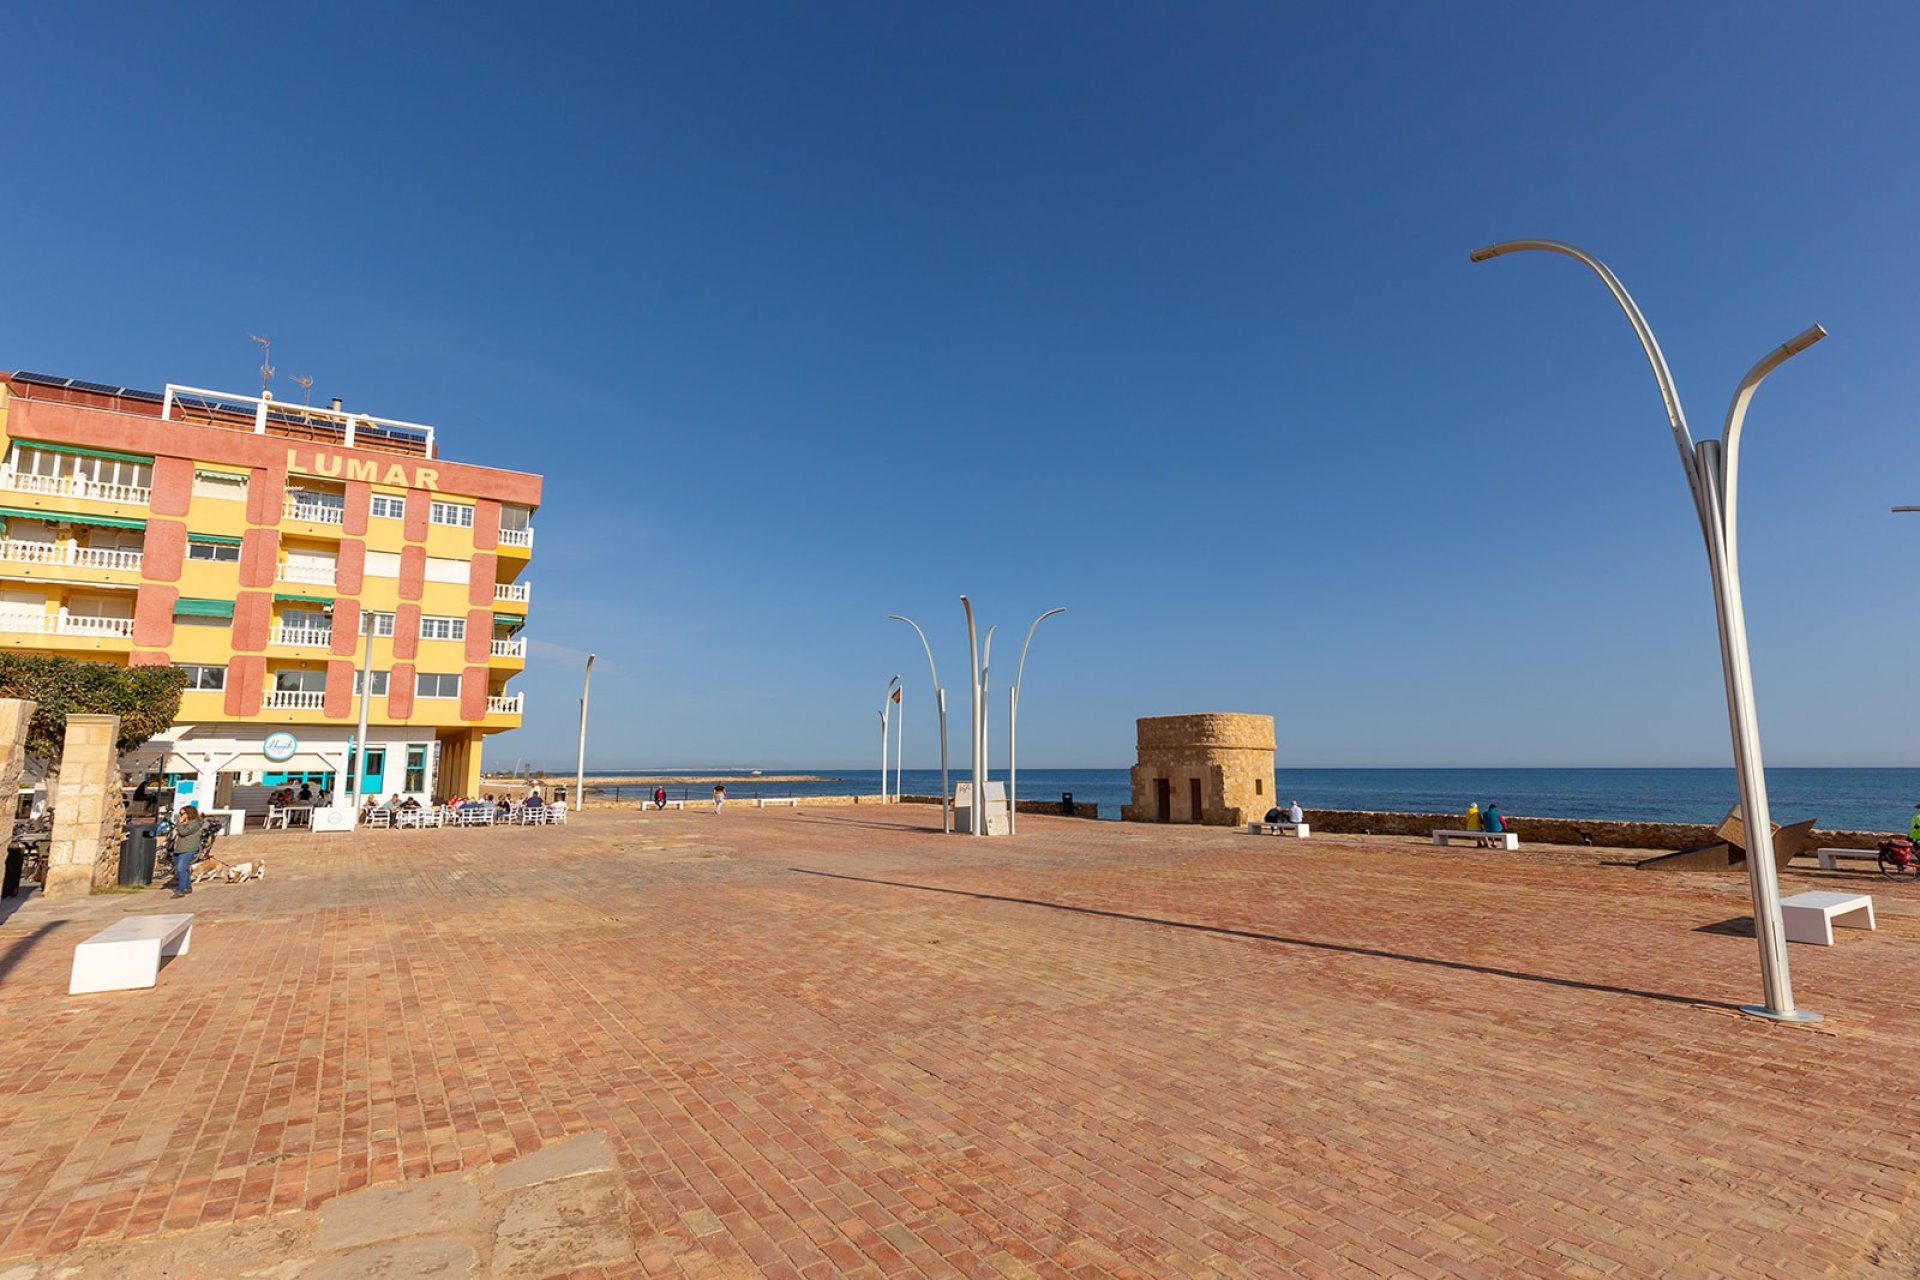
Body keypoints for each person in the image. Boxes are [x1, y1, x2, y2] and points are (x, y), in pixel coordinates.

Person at [169, 805, 207, 898]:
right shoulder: (184, 823)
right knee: (182, 869)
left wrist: (179, 823)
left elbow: (184, 832)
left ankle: (180, 890)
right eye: (180, 813)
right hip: (179, 848)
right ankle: (188, 887)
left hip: (188, 849)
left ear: (189, 813)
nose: (181, 816)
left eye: (183, 813)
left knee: (181, 869)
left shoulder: (195, 823)